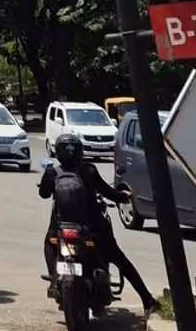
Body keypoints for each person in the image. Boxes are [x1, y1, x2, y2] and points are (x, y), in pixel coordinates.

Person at [39, 133, 157, 313]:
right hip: (93, 228)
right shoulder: (89, 171)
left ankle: (54, 279)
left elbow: (44, 194)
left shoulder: (52, 173)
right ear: (80, 153)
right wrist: (124, 196)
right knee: (119, 259)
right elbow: (108, 192)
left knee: (49, 243)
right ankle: (147, 300)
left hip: (60, 228)